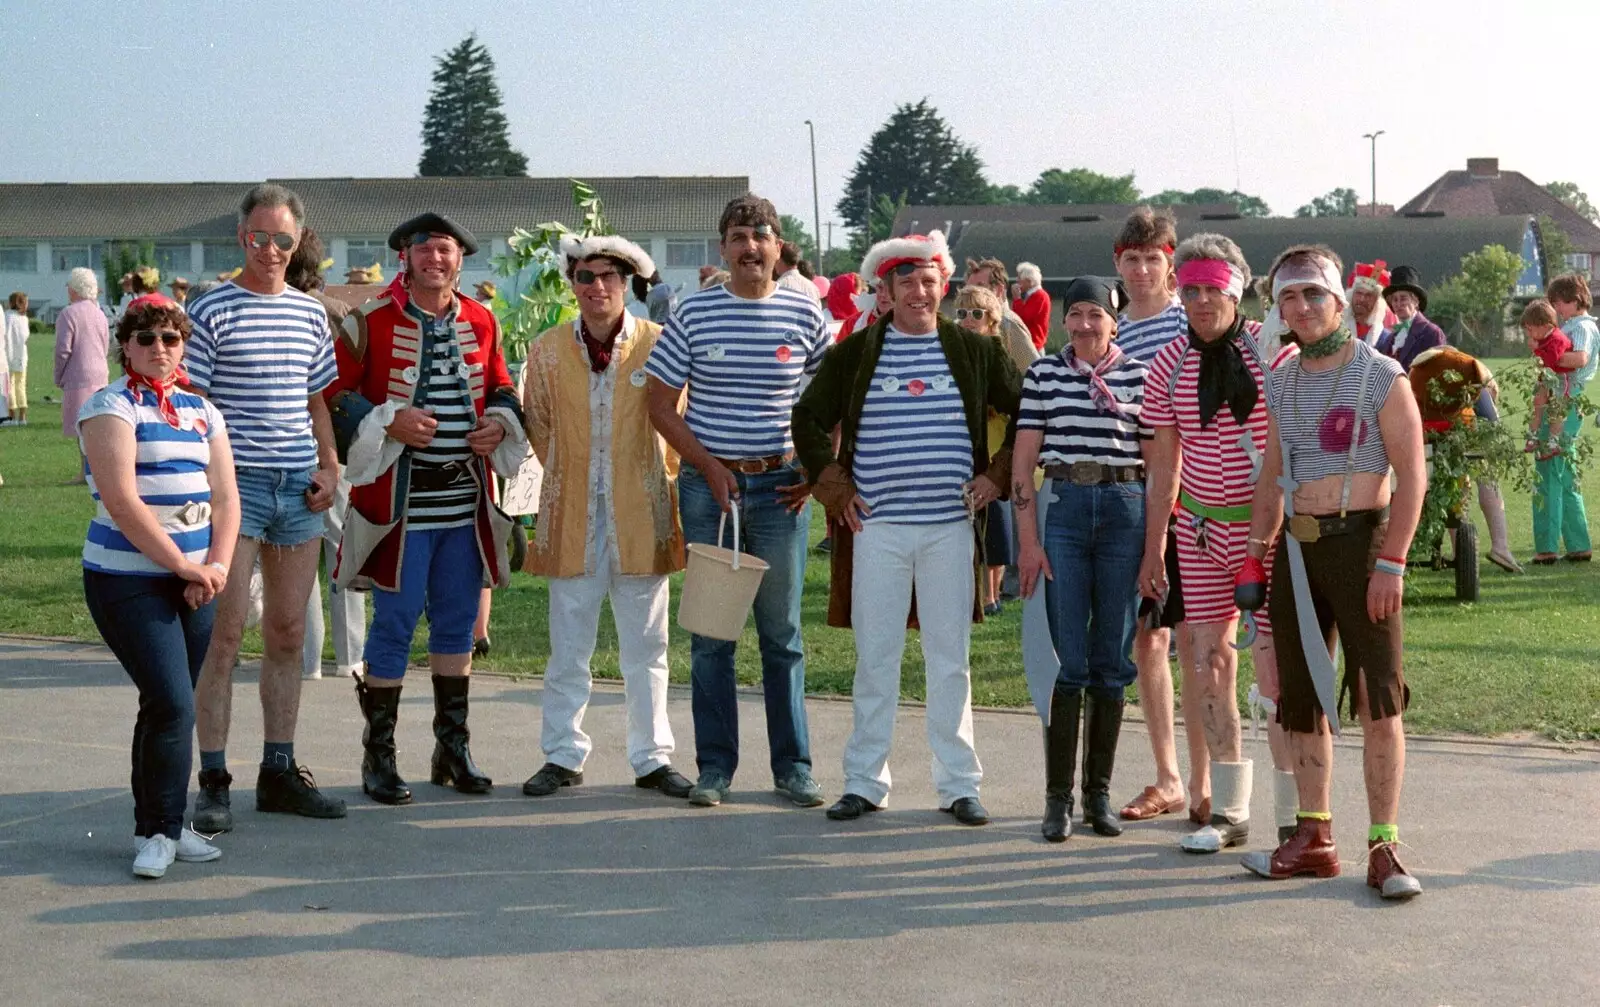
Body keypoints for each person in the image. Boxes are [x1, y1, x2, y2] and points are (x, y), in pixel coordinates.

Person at [792, 230, 1021, 827]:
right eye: (906, 282)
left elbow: (1025, 412)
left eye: (929, 281)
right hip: (878, 530)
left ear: (943, 285)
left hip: (949, 528)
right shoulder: (855, 353)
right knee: (876, 658)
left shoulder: (974, 350)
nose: (920, 292)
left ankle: (958, 785)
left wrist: (996, 475)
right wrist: (834, 485)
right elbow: (808, 417)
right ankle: (866, 781)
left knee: (951, 659)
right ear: (885, 289)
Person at [1238, 244, 1426, 899]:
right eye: (1287, 297)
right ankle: (1314, 836)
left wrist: (1392, 561)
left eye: (1312, 293)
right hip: (1296, 548)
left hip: (1362, 542)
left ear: (1338, 298)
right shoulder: (1283, 376)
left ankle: (1384, 844)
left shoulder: (1381, 373)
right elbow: (1271, 476)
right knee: (1301, 696)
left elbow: (1413, 477)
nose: (1301, 307)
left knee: (1377, 696)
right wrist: (1254, 554)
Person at [325, 212, 527, 805]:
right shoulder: (370, 321)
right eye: (425, 250)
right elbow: (336, 396)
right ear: (404, 258)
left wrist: (500, 421)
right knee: (393, 625)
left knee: (458, 624)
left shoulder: (482, 319)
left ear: (461, 259)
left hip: (464, 502)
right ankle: (379, 756)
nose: (436, 259)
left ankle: (452, 749)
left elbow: (500, 385)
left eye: (446, 250)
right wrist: (389, 420)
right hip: (400, 504)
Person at [645, 195, 829, 809]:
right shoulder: (694, 314)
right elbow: (658, 404)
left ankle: (793, 768)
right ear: (722, 248)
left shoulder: (807, 315)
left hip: (781, 492)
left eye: (762, 236)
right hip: (708, 492)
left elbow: (829, 407)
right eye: (739, 237)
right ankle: (715, 769)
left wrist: (815, 470)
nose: (751, 247)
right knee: (712, 637)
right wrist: (707, 466)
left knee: (783, 636)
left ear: (779, 247)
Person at [186, 183, 346, 831]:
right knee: (224, 637)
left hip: (299, 486)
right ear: (241, 237)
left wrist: (331, 464)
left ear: (298, 241)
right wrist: (207, 485)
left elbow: (317, 404)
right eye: (259, 237)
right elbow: (193, 404)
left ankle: (278, 770)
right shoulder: (212, 309)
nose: (271, 250)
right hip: (236, 487)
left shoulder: (310, 314)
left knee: (288, 632)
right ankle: (214, 779)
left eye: (284, 239)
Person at [520, 234, 693, 800]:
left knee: (648, 645)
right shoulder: (545, 351)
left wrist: (646, 479)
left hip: (641, 512)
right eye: (586, 277)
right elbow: (539, 427)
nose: (598, 288)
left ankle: (651, 757)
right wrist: (573, 482)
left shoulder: (659, 344)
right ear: (572, 283)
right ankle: (563, 753)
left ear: (627, 284)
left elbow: (676, 421)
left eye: (610, 278)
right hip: (572, 515)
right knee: (568, 643)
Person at [78, 294, 237, 878]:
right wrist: (183, 566)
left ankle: (161, 826)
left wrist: (214, 566)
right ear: (126, 344)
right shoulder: (109, 408)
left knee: (169, 705)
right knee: (172, 702)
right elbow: (122, 501)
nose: (159, 350)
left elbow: (226, 497)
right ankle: (160, 832)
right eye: (146, 339)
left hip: (194, 579)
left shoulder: (201, 409)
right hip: (128, 579)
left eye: (171, 339)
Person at [1139, 233, 1265, 855]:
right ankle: (1231, 809)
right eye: (1190, 288)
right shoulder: (1167, 364)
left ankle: (1304, 816)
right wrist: (1153, 547)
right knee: (1208, 660)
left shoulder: (1272, 353)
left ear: (1236, 289)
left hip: (1266, 531)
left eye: (1213, 287)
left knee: (1278, 668)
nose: (1201, 299)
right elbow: (1164, 467)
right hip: (1198, 528)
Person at [1013, 276, 1151, 841]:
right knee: (1069, 656)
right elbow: (1024, 463)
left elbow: (1160, 462)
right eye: (1077, 315)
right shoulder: (1044, 373)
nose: (1086, 325)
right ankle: (1057, 799)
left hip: (1124, 509)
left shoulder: (1141, 376)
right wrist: (1027, 539)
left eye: (1097, 314)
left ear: (1115, 321)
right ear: (1065, 321)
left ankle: (1098, 796)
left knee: (1112, 658)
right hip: (1066, 508)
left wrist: (1156, 547)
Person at [1104, 207, 1201, 824]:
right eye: (1131, 259)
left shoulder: (1192, 323)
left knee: (1203, 641)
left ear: (1171, 262)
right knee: (1150, 639)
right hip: (1132, 501)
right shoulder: (1106, 333)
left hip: (1197, 500)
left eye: (1153, 259)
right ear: (1118, 263)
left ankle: (1210, 774)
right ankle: (1169, 776)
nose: (1142, 269)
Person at [284, 228, 367, 680]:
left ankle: (306, 658)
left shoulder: (276, 312)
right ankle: (351, 655)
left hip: (289, 442)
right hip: (341, 443)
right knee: (343, 549)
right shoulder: (343, 313)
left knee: (297, 556)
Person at [952, 283, 1034, 614]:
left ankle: (991, 595)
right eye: (961, 313)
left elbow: (1019, 399)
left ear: (991, 319)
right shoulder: (951, 353)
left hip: (996, 448)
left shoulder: (1000, 354)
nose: (969, 319)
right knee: (965, 527)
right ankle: (971, 592)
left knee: (996, 527)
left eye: (976, 313)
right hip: (961, 450)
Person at [1527, 275, 1597, 563]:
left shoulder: (1583, 327)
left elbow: (1579, 359)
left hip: (1567, 396)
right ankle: (1578, 544)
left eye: (1558, 302)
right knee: (1565, 472)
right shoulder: (1567, 326)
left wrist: (1547, 356)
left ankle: (1547, 547)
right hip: (1557, 394)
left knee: (1549, 470)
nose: (1556, 308)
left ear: (1574, 299)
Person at [55, 267, 112, 481]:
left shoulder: (68, 314)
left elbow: (63, 350)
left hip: (78, 374)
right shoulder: (100, 313)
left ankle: (85, 472)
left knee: (81, 426)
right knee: (96, 423)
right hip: (100, 373)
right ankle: (94, 470)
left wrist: (58, 375)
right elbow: (106, 343)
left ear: (75, 289)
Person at [964, 257, 1040, 375]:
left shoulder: (1008, 325)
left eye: (980, 287)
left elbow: (1036, 375)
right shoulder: (965, 322)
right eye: (969, 289)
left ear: (999, 290)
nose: (972, 294)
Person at [1376, 266, 1446, 371]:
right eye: (1395, 300)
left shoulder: (1431, 333)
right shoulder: (1390, 339)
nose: (1398, 304)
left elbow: (1439, 372)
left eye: (1403, 298)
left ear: (1416, 301)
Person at [1348, 260, 1395, 346]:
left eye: (1368, 295)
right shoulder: (1337, 330)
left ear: (1377, 302)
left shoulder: (1386, 339)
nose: (1362, 299)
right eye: (1359, 293)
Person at [1012, 261, 1053, 350]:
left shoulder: (1040, 296)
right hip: (1028, 345)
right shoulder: (1031, 296)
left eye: (1019, 278)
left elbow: (1023, 318)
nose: (1017, 281)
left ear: (1029, 281)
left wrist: (1017, 299)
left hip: (1034, 346)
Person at [5, 293, 29, 425]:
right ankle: (23, 417)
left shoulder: (7, 316)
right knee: (21, 386)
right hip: (21, 356)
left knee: (9, 385)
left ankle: (12, 417)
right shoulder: (23, 318)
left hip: (8, 356)